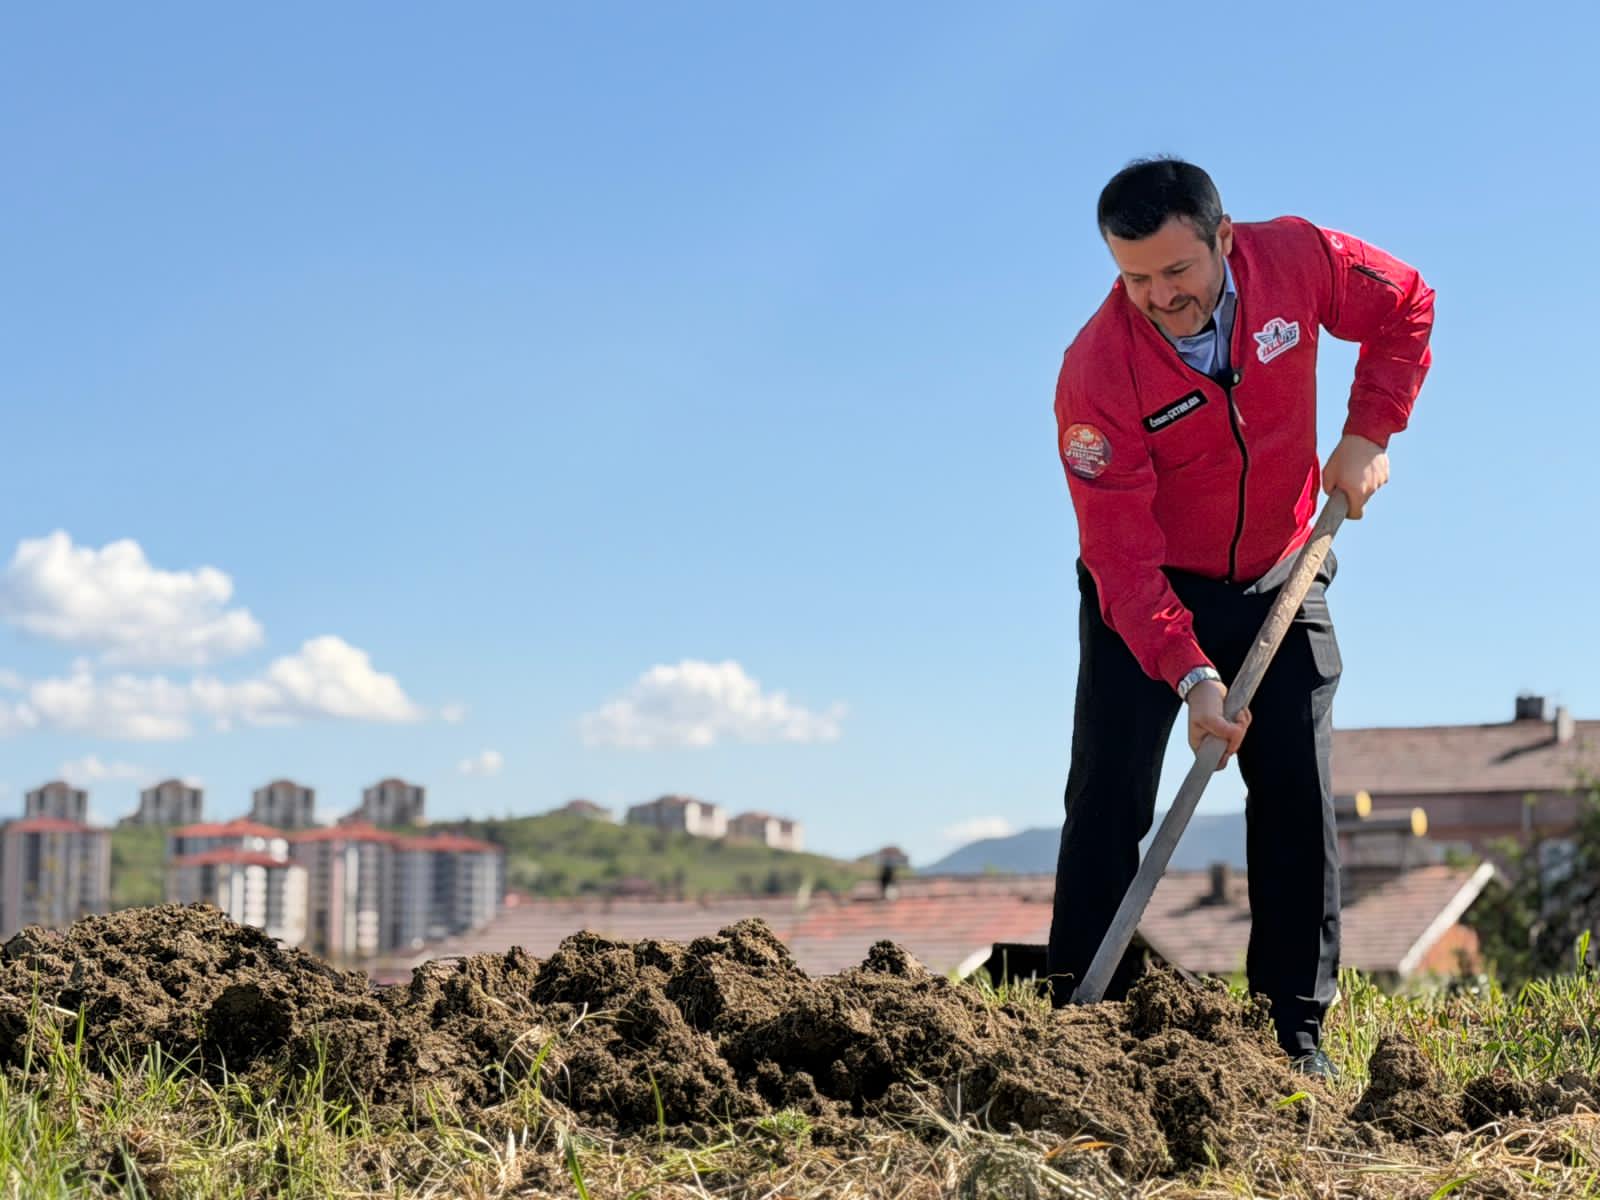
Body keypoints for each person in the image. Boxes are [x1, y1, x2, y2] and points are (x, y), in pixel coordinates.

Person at [1047, 158, 1434, 1073]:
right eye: (1134, 276)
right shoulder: (1096, 371)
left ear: (1223, 238)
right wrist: (1191, 672)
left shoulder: (1296, 261)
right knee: (1110, 799)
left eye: (1176, 271)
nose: (1157, 296)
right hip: (1148, 596)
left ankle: (1294, 1035)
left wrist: (1369, 430)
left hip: (1281, 571)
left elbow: (1406, 304)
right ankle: (1074, 1027)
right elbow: (1119, 554)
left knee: (1297, 792)